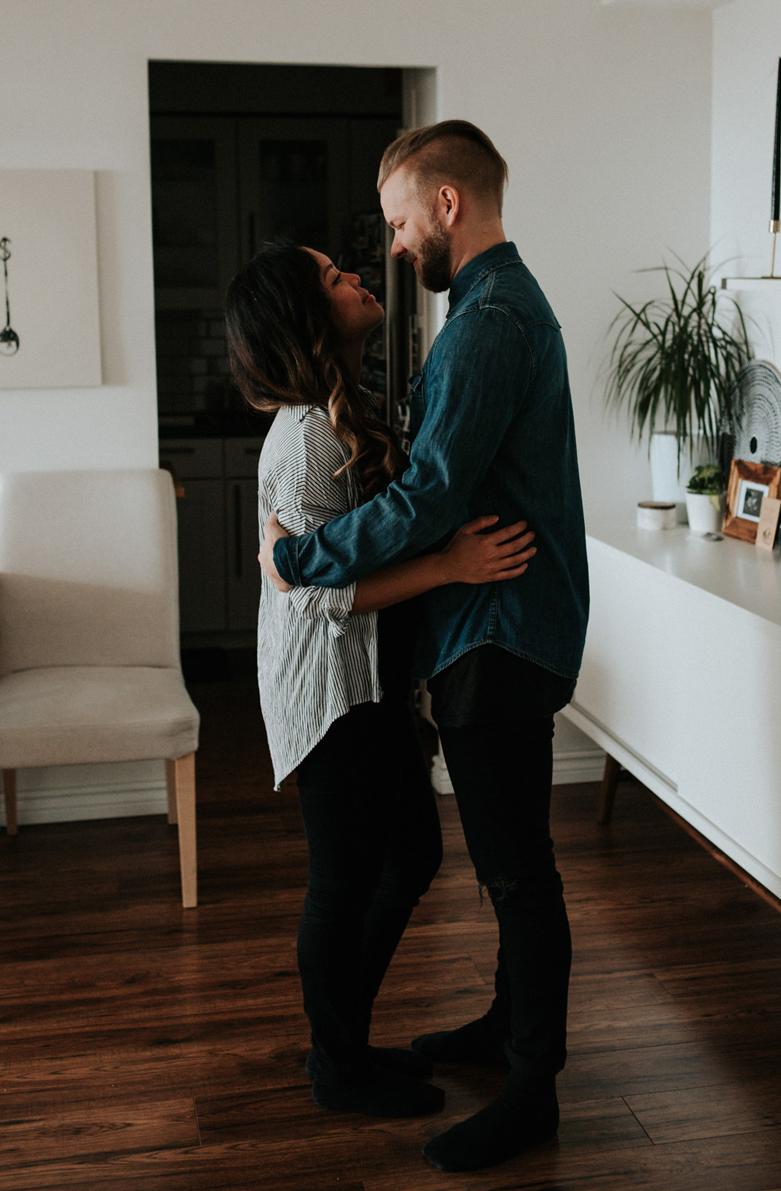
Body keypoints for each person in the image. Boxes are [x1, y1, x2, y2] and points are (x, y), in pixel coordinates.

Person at [258, 119, 590, 1174]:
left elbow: (433, 493)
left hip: (500, 631)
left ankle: (532, 1089)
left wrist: (305, 559)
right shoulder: (485, 312)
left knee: (517, 875)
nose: (395, 246)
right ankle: (503, 1032)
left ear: (448, 205)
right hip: (485, 628)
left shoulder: (489, 320)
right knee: (505, 869)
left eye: (401, 221)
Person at [226, 239, 536, 1122]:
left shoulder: (346, 409)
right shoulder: (309, 440)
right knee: (345, 881)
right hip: (328, 692)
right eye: (333, 279)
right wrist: (451, 566)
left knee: (411, 857)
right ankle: (339, 1063)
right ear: (307, 317)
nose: (358, 277)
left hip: (369, 686)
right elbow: (321, 599)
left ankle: (345, 1045)